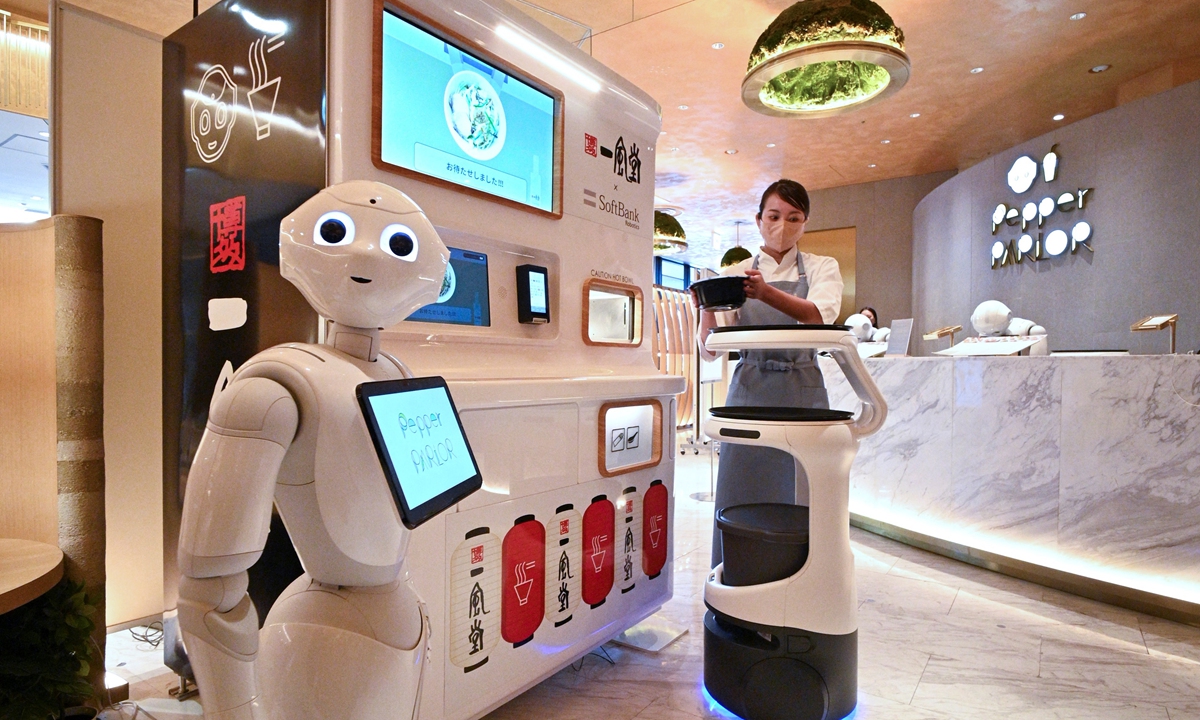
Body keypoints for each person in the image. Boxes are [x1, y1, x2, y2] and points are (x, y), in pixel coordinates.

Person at [694, 179, 843, 566]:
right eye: (774, 216)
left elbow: (817, 318)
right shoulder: (736, 272)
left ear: (805, 223)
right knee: (739, 491)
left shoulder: (823, 267)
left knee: (802, 493)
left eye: (793, 218)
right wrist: (706, 303)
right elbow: (710, 349)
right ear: (758, 220)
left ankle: (797, 579)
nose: (782, 225)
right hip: (749, 389)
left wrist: (765, 293)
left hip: (803, 389)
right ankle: (735, 573)